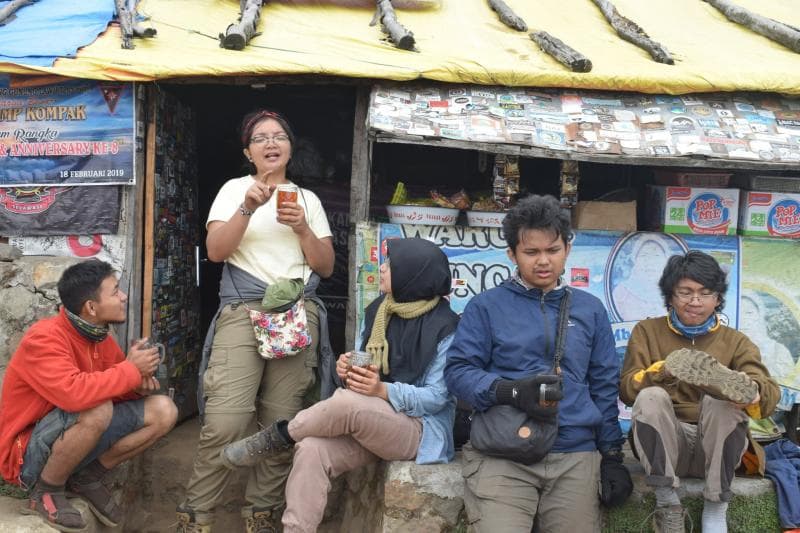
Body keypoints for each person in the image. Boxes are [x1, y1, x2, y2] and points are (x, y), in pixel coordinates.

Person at [219, 237, 459, 533]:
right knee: (311, 449)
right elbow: (364, 371)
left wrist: (382, 391)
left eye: (390, 265)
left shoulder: (447, 328)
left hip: (419, 431)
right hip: (371, 421)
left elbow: (437, 398)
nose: (382, 269)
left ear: (413, 275)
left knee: (346, 403)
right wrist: (346, 370)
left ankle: (280, 436)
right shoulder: (378, 312)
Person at [177, 109, 335, 533]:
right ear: (248, 152)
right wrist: (247, 208)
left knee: (283, 422)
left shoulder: (308, 200)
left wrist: (303, 229)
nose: (271, 143)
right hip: (243, 313)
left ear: (290, 147)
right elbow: (215, 251)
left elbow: (325, 266)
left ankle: (261, 512)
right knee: (226, 419)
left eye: (279, 136)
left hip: (297, 316)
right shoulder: (233, 191)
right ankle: (197, 514)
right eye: (261, 138)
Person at [444, 194, 631, 532]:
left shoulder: (590, 310)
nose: (543, 261)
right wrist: (510, 391)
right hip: (502, 453)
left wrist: (612, 456)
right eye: (531, 252)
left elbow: (604, 386)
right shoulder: (485, 307)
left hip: (575, 452)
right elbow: (458, 372)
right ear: (512, 254)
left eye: (552, 250)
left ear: (567, 249)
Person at [0, 260, 177, 532]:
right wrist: (129, 370)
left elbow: (112, 388)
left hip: (70, 437)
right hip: (26, 456)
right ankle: (45, 491)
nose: (123, 296)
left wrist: (137, 385)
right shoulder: (44, 337)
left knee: (163, 410)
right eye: (115, 291)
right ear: (91, 307)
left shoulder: (100, 337)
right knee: (96, 408)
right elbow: (75, 395)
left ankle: (87, 478)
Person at [620, 250, 780, 533]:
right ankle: (668, 504)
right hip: (669, 446)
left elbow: (768, 396)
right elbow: (627, 389)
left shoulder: (736, 341)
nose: (695, 302)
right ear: (670, 296)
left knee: (723, 400)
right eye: (685, 292)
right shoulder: (647, 331)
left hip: (717, 447)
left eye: (705, 293)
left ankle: (716, 510)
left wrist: (753, 392)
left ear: (718, 299)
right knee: (650, 396)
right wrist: (662, 371)